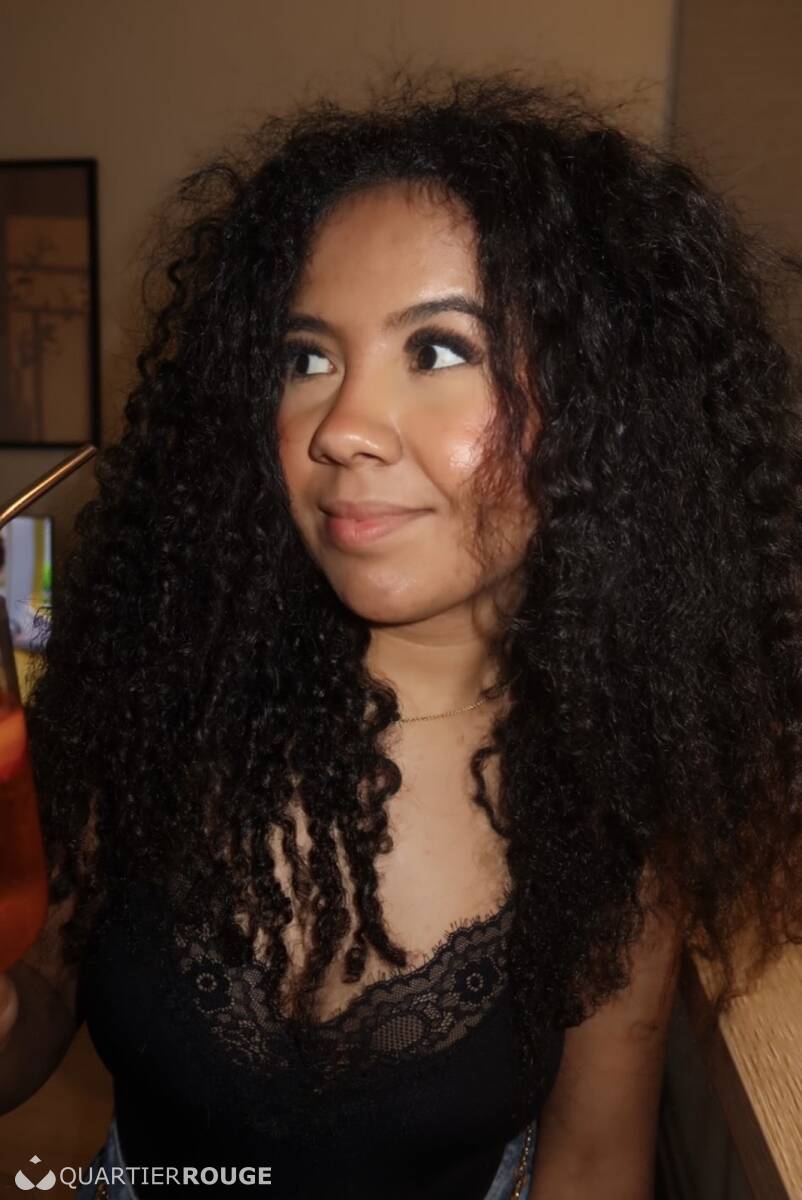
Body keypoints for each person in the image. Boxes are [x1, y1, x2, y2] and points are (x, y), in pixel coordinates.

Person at [2, 68, 801, 1200]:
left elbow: (591, 1160)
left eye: (437, 350)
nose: (342, 427)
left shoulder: (612, 787)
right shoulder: (156, 687)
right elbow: (31, 1019)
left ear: (601, 408)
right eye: (306, 358)